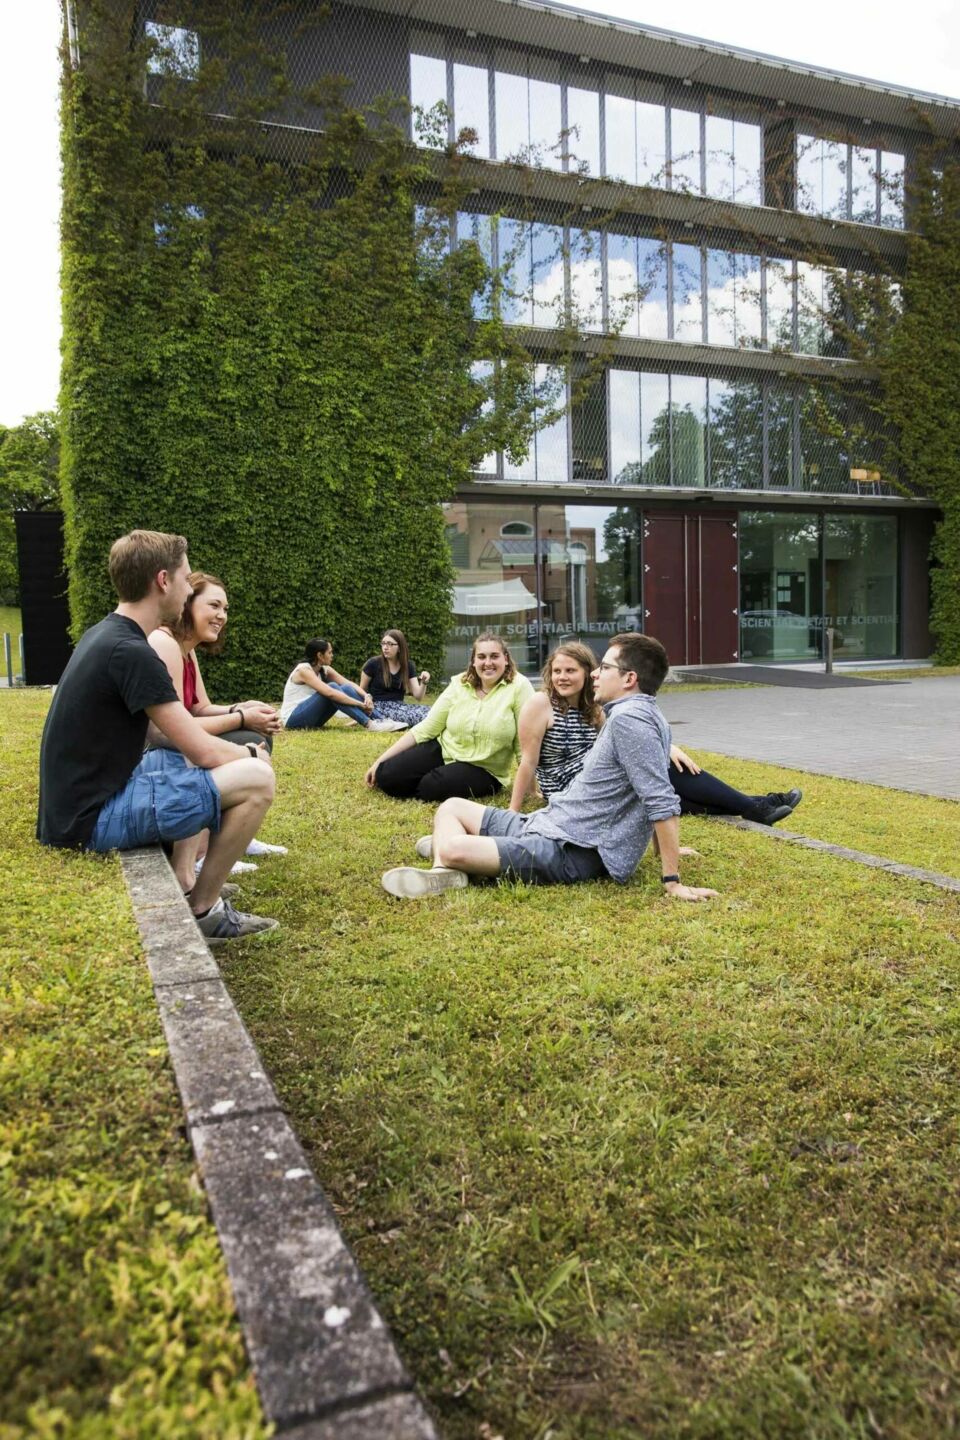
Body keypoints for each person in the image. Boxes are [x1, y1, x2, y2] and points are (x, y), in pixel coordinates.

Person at [37, 530, 278, 942]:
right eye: (186, 580)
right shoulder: (134, 652)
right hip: (90, 821)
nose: (188, 590)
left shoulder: (108, 634)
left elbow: (173, 737)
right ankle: (203, 910)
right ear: (162, 581)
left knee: (179, 757)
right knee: (257, 780)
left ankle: (187, 874)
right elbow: (202, 749)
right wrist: (253, 757)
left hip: (72, 810)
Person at [380, 632, 718, 902]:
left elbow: (659, 799)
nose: (596, 673)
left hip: (573, 850)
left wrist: (672, 881)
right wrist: (661, 849)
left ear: (629, 678)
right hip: (549, 822)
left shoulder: (631, 722)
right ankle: (451, 866)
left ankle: (448, 860)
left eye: (605, 668)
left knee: (452, 846)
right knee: (451, 808)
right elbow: (648, 791)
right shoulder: (635, 714)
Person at [510, 641, 801, 825]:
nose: (562, 677)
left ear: (588, 672)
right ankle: (755, 805)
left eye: (570, 671)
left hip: (601, 775)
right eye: (557, 671)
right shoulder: (540, 703)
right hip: (570, 786)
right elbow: (528, 760)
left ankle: (753, 805)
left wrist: (668, 746)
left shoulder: (595, 705)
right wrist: (516, 808)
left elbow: (628, 738)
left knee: (668, 790)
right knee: (660, 775)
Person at [147, 572, 285, 881]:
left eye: (225, 608)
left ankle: (234, 835)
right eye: (214, 605)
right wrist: (241, 718)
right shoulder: (164, 643)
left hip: (181, 736)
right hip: (158, 751)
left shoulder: (187, 648)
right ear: (187, 603)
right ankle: (201, 852)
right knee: (245, 738)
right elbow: (170, 725)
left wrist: (242, 707)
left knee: (255, 736)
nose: (221, 616)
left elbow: (199, 707)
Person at [366, 632, 534, 803]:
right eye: (481, 657)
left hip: (483, 768)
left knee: (431, 787)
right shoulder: (459, 683)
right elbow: (426, 727)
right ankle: (425, 778)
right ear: (473, 661)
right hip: (445, 749)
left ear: (505, 659)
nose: (488, 663)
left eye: (494, 656)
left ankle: (431, 782)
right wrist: (380, 761)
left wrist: (531, 789)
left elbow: (524, 746)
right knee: (386, 775)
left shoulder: (519, 686)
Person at [282, 639, 406, 732]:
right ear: (319, 655)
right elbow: (330, 693)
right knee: (333, 687)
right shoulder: (303, 670)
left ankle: (382, 719)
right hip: (294, 719)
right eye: (329, 652)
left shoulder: (324, 669)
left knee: (345, 688)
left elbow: (348, 683)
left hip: (312, 719)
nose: (332, 655)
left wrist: (366, 696)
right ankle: (370, 724)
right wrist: (360, 704)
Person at [357, 629, 431, 728]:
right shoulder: (373, 663)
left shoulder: (408, 665)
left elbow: (418, 696)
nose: (385, 647)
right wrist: (361, 716)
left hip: (400, 706)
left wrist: (424, 682)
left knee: (432, 711)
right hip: (379, 708)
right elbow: (360, 691)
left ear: (399, 647)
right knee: (422, 717)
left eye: (390, 644)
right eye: (383, 643)